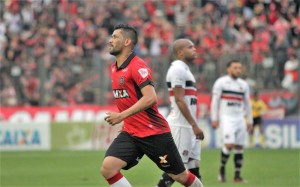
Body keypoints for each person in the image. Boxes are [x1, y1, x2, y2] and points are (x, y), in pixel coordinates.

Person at [100, 24, 203, 187]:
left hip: (153, 132)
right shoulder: (114, 68)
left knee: (180, 176)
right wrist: (127, 120)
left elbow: (151, 98)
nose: (110, 40)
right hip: (131, 132)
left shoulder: (137, 66)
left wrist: (121, 116)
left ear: (127, 42)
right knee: (108, 168)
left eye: (115, 37)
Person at [156, 39, 205, 187]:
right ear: (180, 52)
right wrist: (194, 125)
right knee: (176, 169)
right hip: (180, 125)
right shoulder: (177, 69)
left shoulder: (185, 70)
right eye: (190, 47)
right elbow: (179, 99)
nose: (195, 49)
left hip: (188, 126)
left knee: (193, 164)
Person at [210, 60, 253, 183]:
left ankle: (237, 176)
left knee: (239, 147)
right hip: (226, 118)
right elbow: (215, 102)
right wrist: (214, 118)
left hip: (240, 118)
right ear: (228, 69)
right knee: (229, 145)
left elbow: (247, 104)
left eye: (239, 68)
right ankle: (222, 169)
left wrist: (249, 120)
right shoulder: (221, 82)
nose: (238, 70)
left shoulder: (243, 84)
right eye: (235, 68)